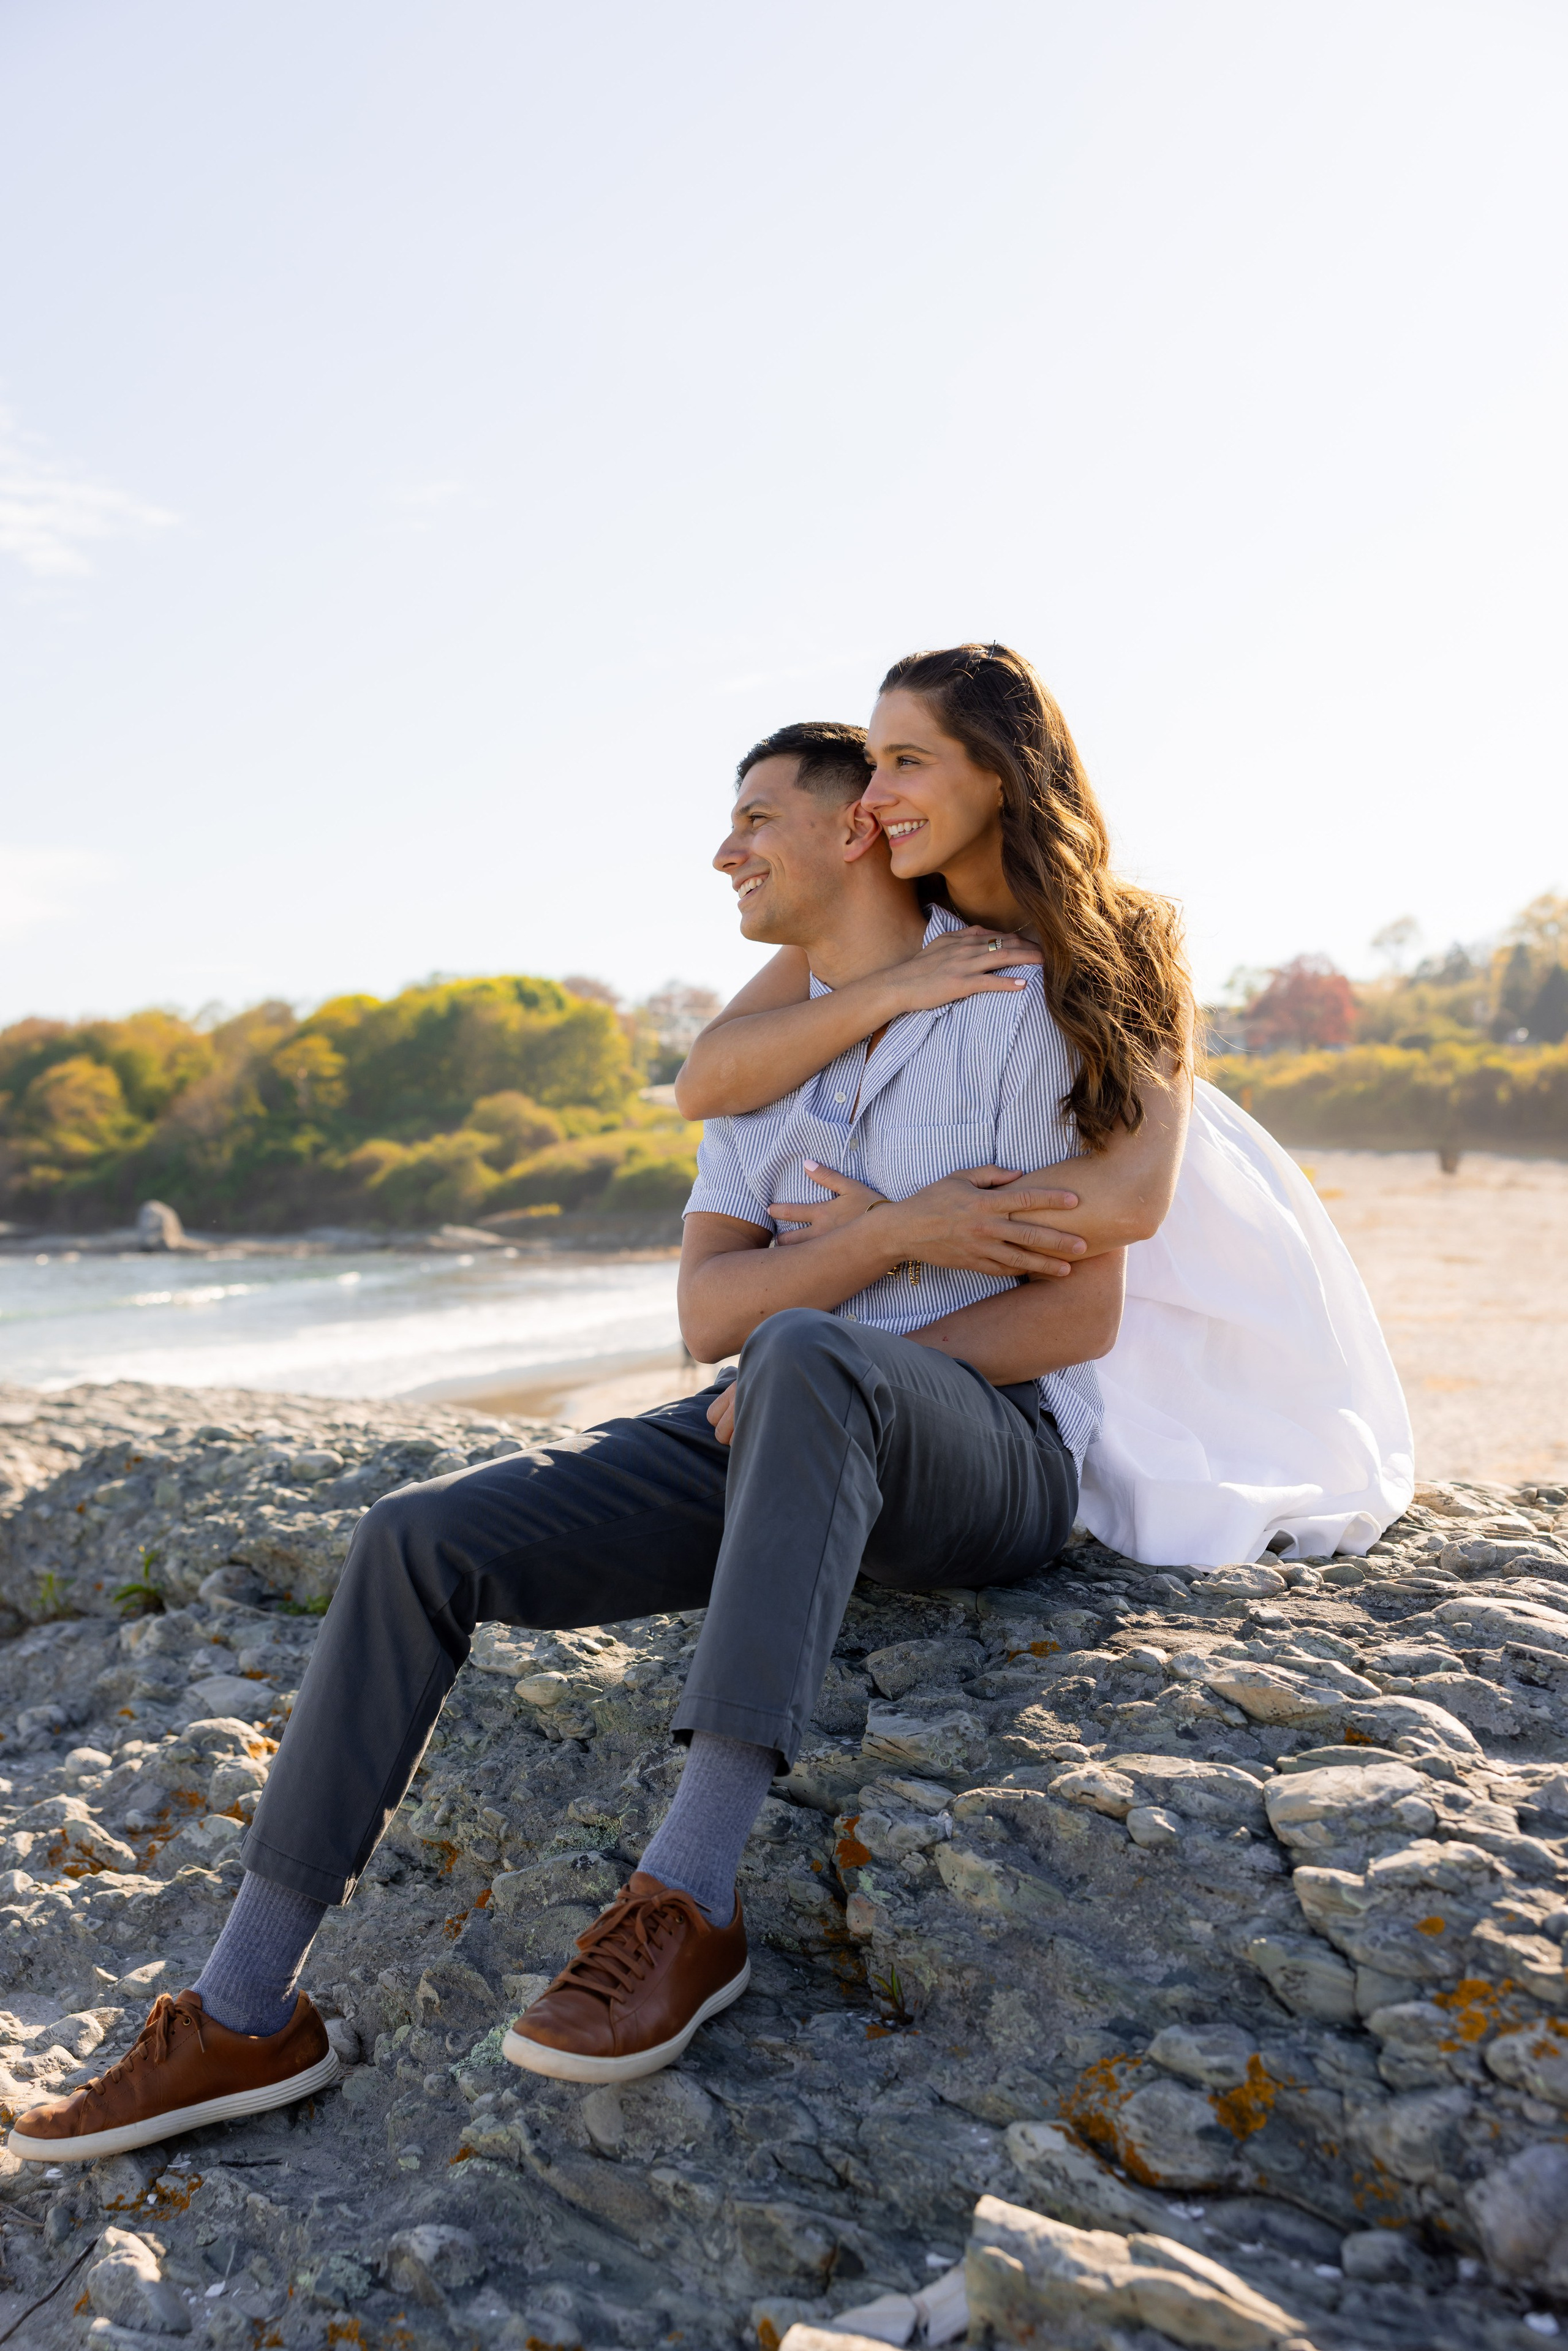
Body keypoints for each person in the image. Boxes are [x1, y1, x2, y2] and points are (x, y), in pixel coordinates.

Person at [9, 719, 1125, 2162]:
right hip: (772, 1427)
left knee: (801, 1350)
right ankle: (241, 2009)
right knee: (415, 1536)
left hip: (986, 1458)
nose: (723, 850)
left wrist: (842, 1336)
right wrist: (881, 1247)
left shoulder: (1010, 1000)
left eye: (754, 817)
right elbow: (706, 1311)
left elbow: (1079, 1306)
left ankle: (690, 1894)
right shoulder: (756, 1069)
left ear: (854, 827)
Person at [677, 643, 1414, 1569]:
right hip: (1015, 1229)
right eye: (872, 764)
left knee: (1151, 1471)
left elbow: (1132, 1199)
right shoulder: (904, 916)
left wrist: (902, 1222)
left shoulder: (1123, 933)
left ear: (998, 772)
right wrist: (900, 986)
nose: (874, 795)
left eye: (906, 761)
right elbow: (704, 1082)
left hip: (1151, 1235)